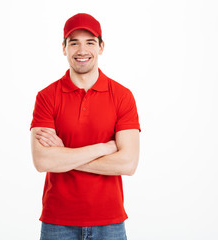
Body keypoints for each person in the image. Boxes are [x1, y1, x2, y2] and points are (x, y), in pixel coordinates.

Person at [30, 13, 141, 240]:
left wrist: (64, 156)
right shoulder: (46, 97)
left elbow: (128, 163)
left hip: (110, 222)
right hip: (57, 221)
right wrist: (103, 148)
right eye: (74, 43)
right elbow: (43, 161)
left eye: (90, 42)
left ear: (101, 47)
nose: (82, 50)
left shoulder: (122, 96)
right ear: (64, 48)